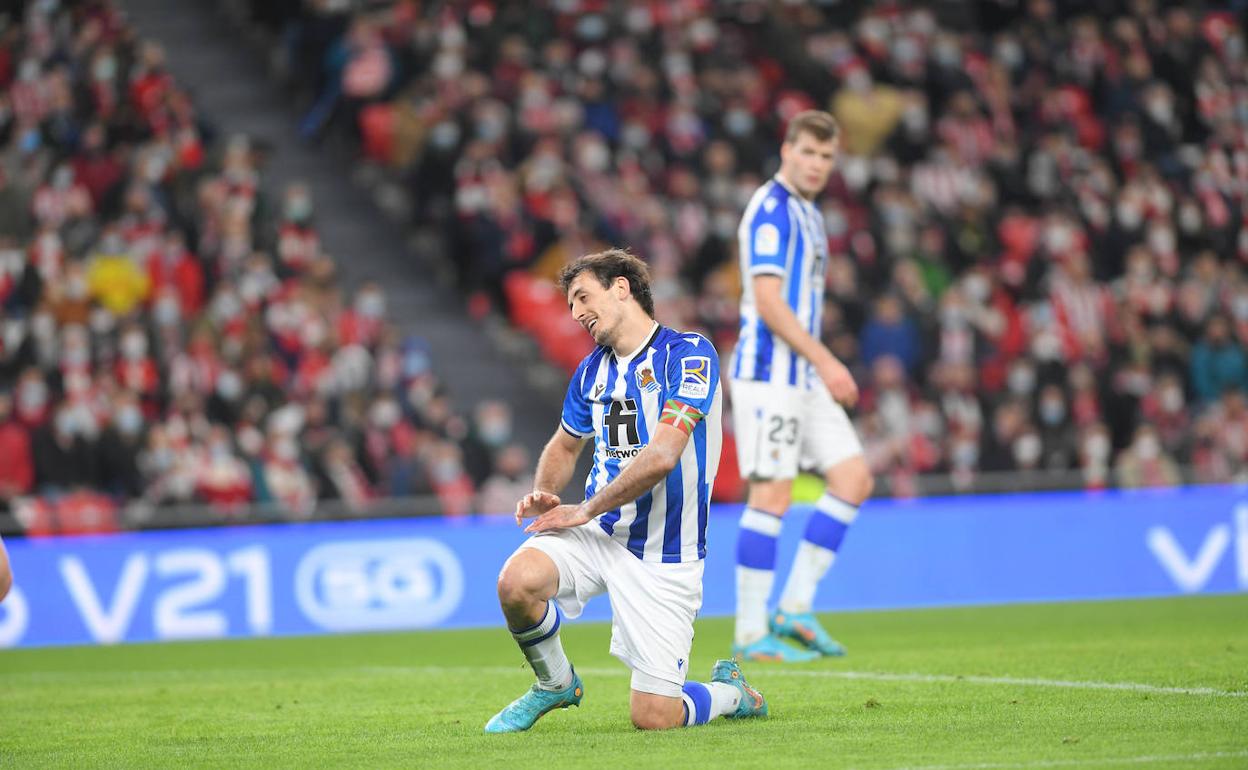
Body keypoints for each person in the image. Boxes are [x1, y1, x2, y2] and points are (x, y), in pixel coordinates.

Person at [487, 249, 767, 733]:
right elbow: (564, 445)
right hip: (599, 532)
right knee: (516, 582)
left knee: (655, 717)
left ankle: (731, 693)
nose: (575, 314)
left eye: (582, 298)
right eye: (571, 305)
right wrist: (545, 492)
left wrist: (585, 508)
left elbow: (662, 456)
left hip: (665, 552)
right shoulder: (591, 371)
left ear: (621, 287)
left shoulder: (689, 354)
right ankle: (555, 683)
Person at [729, 110, 875, 662]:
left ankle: (794, 607)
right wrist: (827, 359)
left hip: (801, 375)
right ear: (786, 150)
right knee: (772, 493)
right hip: (769, 375)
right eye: (808, 152)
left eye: (826, 156)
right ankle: (749, 633)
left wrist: (815, 364)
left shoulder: (809, 214)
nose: (816, 164)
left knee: (853, 477)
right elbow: (767, 302)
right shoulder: (771, 212)